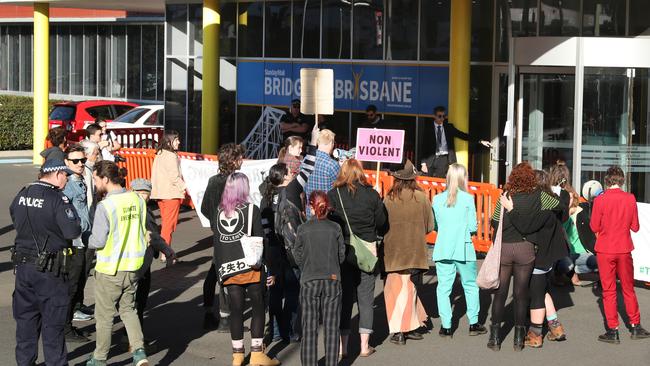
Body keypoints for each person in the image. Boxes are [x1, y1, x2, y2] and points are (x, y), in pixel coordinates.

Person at [10, 159, 81, 366]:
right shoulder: (58, 199)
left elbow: (14, 216)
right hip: (51, 270)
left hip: (23, 267)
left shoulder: (23, 193)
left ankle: (25, 363)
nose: (67, 179)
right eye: (65, 175)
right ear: (57, 174)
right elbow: (72, 231)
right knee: (53, 324)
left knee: (26, 322)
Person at [85, 161, 149, 366]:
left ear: (105, 179)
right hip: (133, 267)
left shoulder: (106, 206)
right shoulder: (137, 199)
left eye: (95, 179)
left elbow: (98, 241)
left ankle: (100, 357)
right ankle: (139, 352)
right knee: (128, 310)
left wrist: (84, 237)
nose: (94, 183)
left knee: (104, 317)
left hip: (109, 270)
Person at [213, 173, 279, 366]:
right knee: (258, 307)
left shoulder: (219, 211)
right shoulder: (252, 210)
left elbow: (217, 243)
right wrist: (269, 269)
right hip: (251, 267)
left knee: (236, 311)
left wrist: (219, 273)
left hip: (228, 268)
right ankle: (257, 355)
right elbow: (261, 241)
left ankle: (237, 356)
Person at [488, 162, 555, 352]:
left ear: (512, 178)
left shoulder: (505, 196)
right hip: (526, 249)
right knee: (521, 293)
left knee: (500, 293)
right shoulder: (538, 197)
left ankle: (494, 337)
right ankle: (518, 339)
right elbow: (558, 204)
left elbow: (494, 221)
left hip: (505, 249)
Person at [327, 159, 387, 358]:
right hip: (367, 251)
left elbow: (329, 221)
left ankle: (343, 347)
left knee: (344, 299)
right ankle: (363, 346)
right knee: (366, 299)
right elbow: (382, 223)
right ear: (360, 172)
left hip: (342, 252)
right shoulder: (371, 194)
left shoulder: (333, 194)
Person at [506, 169, 568, 348]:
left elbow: (525, 227)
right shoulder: (552, 204)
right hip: (548, 257)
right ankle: (556, 328)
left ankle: (535, 334)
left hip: (537, 256)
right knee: (543, 290)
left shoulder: (541, 207)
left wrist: (511, 211)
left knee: (536, 297)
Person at [590, 166, 650, 343]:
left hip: (605, 249)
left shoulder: (600, 200)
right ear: (622, 180)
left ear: (607, 180)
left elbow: (594, 226)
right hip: (624, 248)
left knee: (609, 290)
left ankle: (613, 330)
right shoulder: (630, 198)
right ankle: (635, 325)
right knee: (628, 287)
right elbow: (635, 226)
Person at [432, 163, 486, 338]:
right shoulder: (468, 199)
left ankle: (446, 326)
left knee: (443, 288)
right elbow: (472, 227)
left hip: (444, 247)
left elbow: (435, 225)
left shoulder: (437, 199)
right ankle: (474, 323)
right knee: (470, 285)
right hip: (463, 247)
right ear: (464, 178)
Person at [383, 160, 433, 345]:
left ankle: (400, 330)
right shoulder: (422, 197)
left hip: (393, 251)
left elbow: (381, 225)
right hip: (415, 251)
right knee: (409, 288)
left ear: (397, 178)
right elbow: (430, 226)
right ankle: (408, 326)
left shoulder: (389, 198)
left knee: (395, 290)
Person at [294, 191, 346, 366]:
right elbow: (341, 256)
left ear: (310, 206)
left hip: (309, 279)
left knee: (309, 327)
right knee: (332, 327)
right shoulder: (335, 228)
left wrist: (306, 266)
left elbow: (297, 255)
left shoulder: (303, 229)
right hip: (332, 278)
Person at [124, 178, 177, 351]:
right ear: (132, 191)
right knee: (137, 303)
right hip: (139, 264)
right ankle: (135, 340)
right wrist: (168, 251)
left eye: (146, 193)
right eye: (139, 193)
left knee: (131, 303)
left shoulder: (133, 208)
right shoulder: (142, 212)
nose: (143, 196)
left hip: (132, 262)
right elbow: (153, 236)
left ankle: (130, 336)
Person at [201, 143, 244, 331]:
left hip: (218, 232)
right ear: (233, 160)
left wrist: (214, 222)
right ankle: (226, 319)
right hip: (233, 233)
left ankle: (208, 312)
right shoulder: (235, 182)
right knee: (229, 273)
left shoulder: (213, 181)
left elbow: (204, 207)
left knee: (215, 271)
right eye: (240, 157)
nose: (242, 160)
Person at [62, 144, 94, 343]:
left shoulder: (80, 179)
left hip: (84, 240)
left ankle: (69, 325)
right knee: (71, 286)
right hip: (73, 243)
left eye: (82, 160)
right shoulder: (67, 184)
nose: (80, 164)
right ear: (67, 162)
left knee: (79, 283)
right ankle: (65, 329)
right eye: (75, 161)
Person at [421, 106, 491, 178]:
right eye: (439, 116)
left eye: (444, 116)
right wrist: (423, 163)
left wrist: (480, 141)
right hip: (430, 159)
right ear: (434, 116)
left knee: (440, 182)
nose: (442, 118)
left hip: (443, 159)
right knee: (426, 181)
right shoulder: (428, 128)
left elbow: (463, 135)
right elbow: (424, 146)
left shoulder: (449, 127)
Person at [151, 130, 186, 261]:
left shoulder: (160, 153)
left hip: (161, 193)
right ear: (169, 141)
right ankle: (166, 252)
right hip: (171, 194)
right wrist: (185, 187)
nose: (179, 142)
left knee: (166, 223)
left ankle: (164, 251)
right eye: (176, 140)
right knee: (168, 225)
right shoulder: (171, 156)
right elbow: (174, 177)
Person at [305, 129, 339, 218]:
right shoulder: (332, 165)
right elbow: (339, 192)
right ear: (332, 143)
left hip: (310, 212)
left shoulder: (306, 160)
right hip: (326, 214)